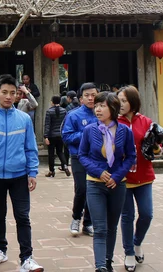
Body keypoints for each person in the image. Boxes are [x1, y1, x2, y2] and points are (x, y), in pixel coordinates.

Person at [0, 74, 43, 272]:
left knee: (23, 216)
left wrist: (33, 172)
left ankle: (27, 257)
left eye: (13, 93)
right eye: (4, 92)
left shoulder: (24, 119)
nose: (8, 96)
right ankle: (0, 250)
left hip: (19, 176)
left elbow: (31, 148)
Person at [79, 92, 136, 272]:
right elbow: (82, 155)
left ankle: (108, 262)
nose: (98, 109)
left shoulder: (125, 131)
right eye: (96, 106)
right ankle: (100, 267)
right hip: (95, 183)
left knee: (112, 227)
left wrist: (117, 176)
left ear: (113, 108)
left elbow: (130, 156)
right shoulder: (89, 130)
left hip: (117, 184)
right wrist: (98, 171)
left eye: (102, 105)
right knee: (100, 228)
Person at [117, 86, 158, 272]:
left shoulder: (146, 121)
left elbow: (154, 146)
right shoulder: (114, 122)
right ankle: (129, 253)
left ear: (133, 102)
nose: (120, 104)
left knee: (147, 214)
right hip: (123, 177)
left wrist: (156, 148)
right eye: (118, 101)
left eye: (124, 101)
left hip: (144, 176)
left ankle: (137, 242)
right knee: (127, 216)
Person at [62, 82, 98, 237]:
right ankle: (76, 217)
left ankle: (88, 223)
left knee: (93, 189)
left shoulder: (103, 113)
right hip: (79, 156)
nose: (91, 98)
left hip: (97, 157)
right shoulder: (73, 115)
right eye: (87, 96)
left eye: (93, 95)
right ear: (81, 99)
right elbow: (66, 136)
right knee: (81, 188)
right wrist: (87, 133)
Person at [43, 95, 70, 177]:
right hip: (60, 135)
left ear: (52, 102)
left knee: (51, 153)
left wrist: (45, 136)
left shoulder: (49, 112)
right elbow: (66, 124)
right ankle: (65, 166)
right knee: (60, 152)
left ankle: (51, 171)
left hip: (51, 135)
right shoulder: (64, 111)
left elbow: (47, 125)